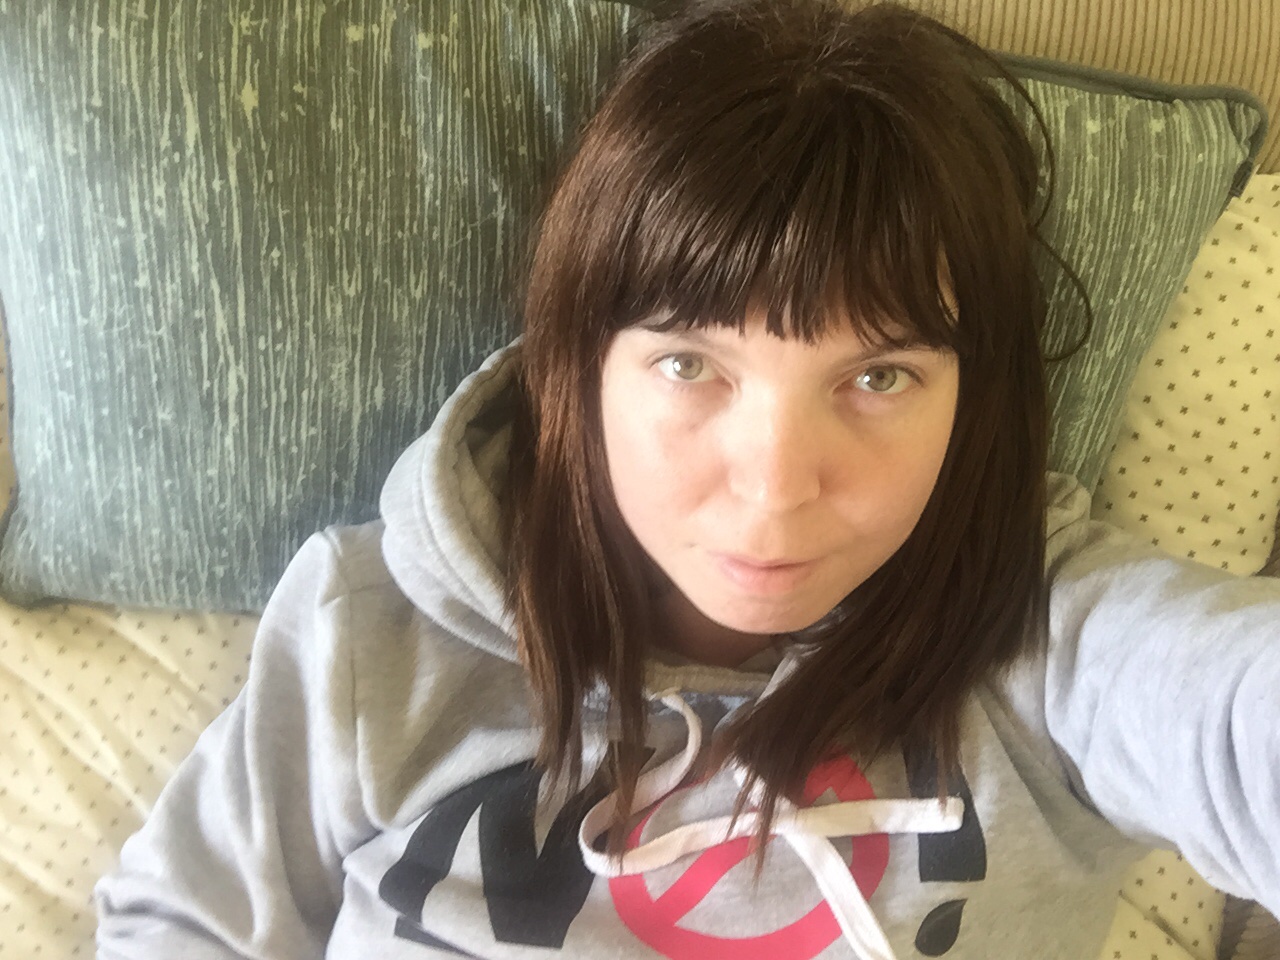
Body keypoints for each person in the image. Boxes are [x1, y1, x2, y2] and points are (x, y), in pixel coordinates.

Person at [94, 1, 1279, 958]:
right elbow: (184, 926)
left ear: (975, 399)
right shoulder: (372, 637)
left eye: (878, 378)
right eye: (687, 364)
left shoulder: (1057, 645)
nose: (773, 490)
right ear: (579, 368)